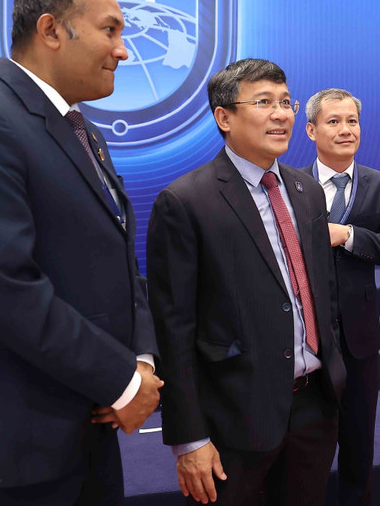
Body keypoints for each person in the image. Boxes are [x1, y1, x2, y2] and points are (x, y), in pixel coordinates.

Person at [0, 0, 162, 505]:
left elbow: (120, 262)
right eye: (111, 30)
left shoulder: (83, 131)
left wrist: (142, 360)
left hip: (86, 432)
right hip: (8, 452)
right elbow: (2, 285)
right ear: (51, 30)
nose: (123, 51)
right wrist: (122, 380)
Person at [147, 59, 346, 505]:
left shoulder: (306, 190)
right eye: (263, 102)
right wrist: (189, 438)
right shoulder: (185, 202)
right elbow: (174, 328)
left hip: (313, 408)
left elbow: (318, 293)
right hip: (233, 418)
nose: (281, 114)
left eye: (285, 102)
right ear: (224, 117)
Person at [300, 88, 380, 506]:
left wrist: (347, 235)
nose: (346, 130)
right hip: (305, 337)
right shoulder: (288, 184)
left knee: (359, 446)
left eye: (352, 121)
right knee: (305, 445)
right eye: (333, 122)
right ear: (310, 130)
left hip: (360, 340)